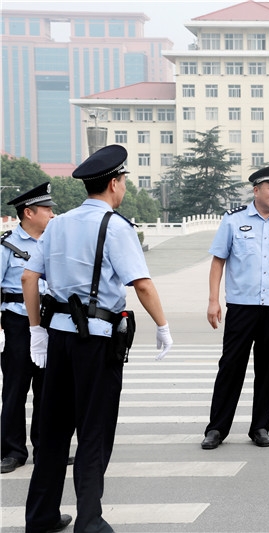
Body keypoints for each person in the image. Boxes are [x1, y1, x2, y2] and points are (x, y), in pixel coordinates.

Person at [23, 144, 173, 533]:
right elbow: (141, 285)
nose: (122, 187)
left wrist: (36, 330)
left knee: (53, 428)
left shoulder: (58, 223)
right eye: (122, 180)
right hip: (97, 341)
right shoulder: (115, 225)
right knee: (94, 430)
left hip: (58, 338)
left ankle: (40, 516)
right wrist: (162, 326)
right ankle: (88, 520)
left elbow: (29, 278)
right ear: (113, 183)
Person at [202, 165, 269, 450]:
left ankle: (260, 426)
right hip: (241, 307)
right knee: (230, 368)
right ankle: (217, 428)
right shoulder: (233, 221)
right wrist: (213, 301)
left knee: (266, 369)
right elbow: (218, 261)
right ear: (256, 190)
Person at [0, 183, 56, 474]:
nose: (52, 214)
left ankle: (46, 448)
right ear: (28, 212)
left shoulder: (53, 242)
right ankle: (12, 450)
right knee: (15, 388)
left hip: (49, 323)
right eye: (47, 209)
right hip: (18, 324)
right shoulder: (6, 246)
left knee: (49, 389)